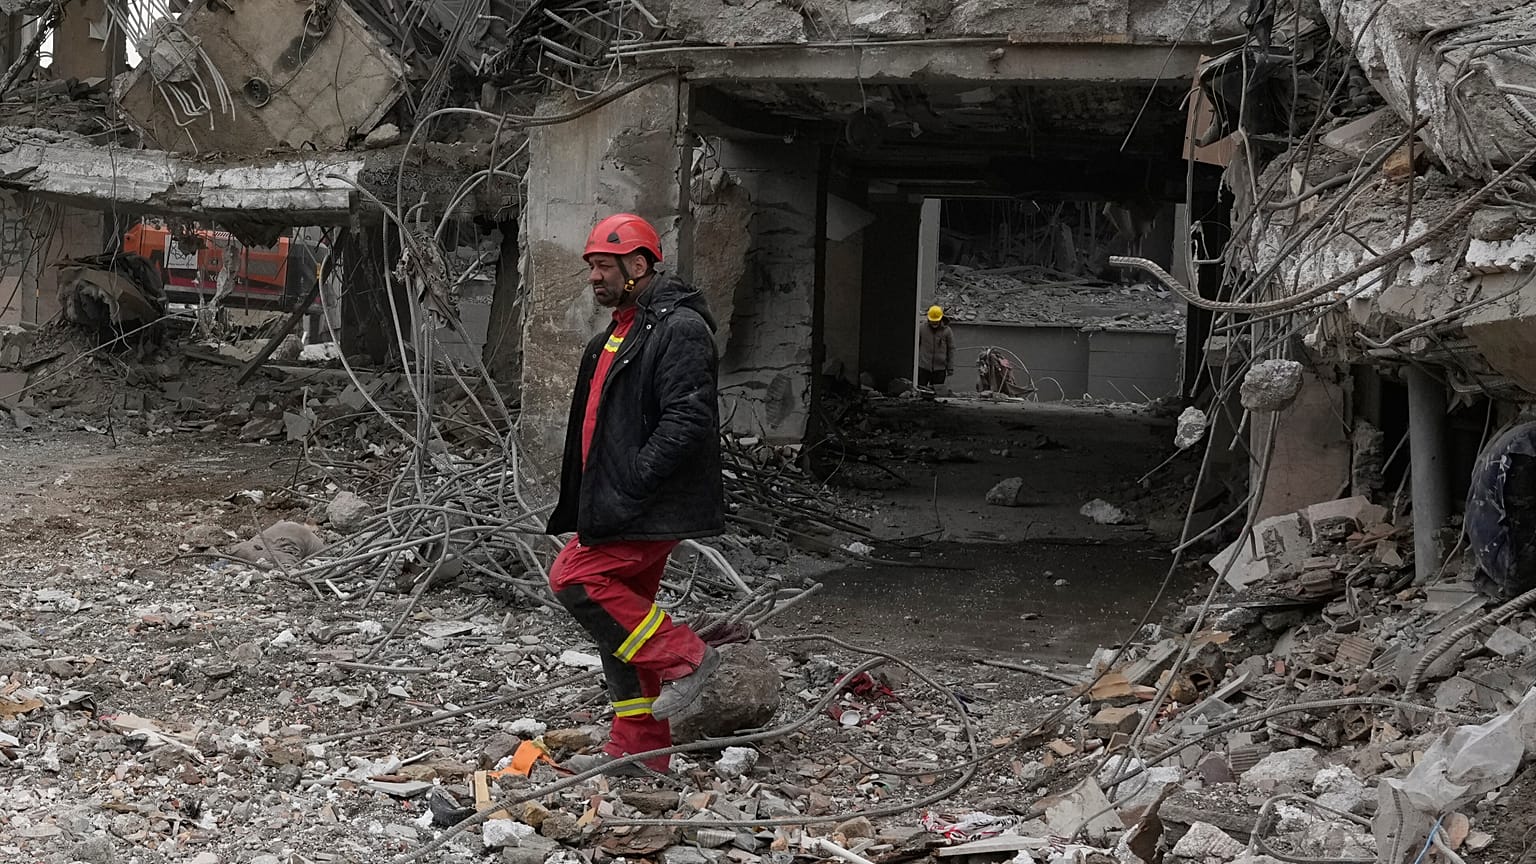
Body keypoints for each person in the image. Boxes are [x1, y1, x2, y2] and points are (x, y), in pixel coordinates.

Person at [544, 213, 723, 775]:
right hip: (611, 501)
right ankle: (641, 749)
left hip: (646, 505)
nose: (594, 276)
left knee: (574, 578)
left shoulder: (680, 328)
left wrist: (634, 483)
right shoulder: (611, 337)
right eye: (592, 266)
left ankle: (686, 656)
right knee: (621, 622)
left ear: (639, 264)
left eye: (604, 265)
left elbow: (687, 418)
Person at [918, 304, 955, 387]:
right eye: (932, 321)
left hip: (940, 369)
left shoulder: (947, 331)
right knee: (920, 390)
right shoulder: (921, 328)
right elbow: (916, 346)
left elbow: (951, 349)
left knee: (937, 393)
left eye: (936, 321)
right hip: (923, 367)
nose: (934, 323)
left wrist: (950, 367)